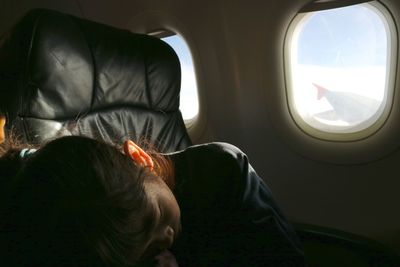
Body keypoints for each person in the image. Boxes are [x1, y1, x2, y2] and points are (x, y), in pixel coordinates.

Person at [0, 127, 306, 266]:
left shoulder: (221, 173)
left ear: (138, 157)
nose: (169, 235)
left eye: (157, 217)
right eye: (148, 251)